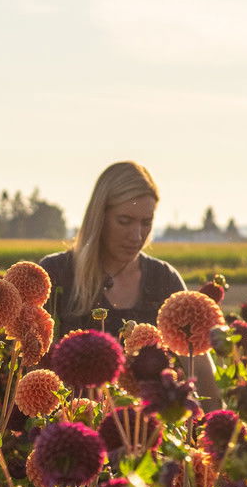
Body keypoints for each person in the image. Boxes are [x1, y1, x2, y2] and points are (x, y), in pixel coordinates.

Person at [38, 161, 217, 398]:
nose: (136, 236)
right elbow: (30, 368)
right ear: (99, 217)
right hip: (70, 426)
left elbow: (201, 372)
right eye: (124, 221)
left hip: (150, 428)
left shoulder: (164, 280)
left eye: (146, 223)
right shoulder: (56, 275)